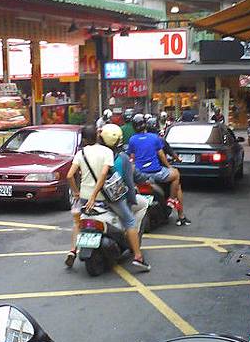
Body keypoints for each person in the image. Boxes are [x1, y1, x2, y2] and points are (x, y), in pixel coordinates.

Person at [66, 125, 150, 271]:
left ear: (84, 139)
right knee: (130, 220)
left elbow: (69, 176)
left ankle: (72, 250)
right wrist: (94, 195)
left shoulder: (81, 153)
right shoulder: (107, 152)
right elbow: (104, 175)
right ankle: (138, 257)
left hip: (85, 198)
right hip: (106, 197)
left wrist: (76, 192)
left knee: (78, 221)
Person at [128, 114, 191, 227]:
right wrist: (169, 166)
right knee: (176, 178)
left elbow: (132, 158)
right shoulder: (156, 139)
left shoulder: (132, 140)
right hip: (157, 173)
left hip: (140, 174)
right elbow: (163, 155)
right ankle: (177, 209)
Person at [100, 123, 148, 236]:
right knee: (135, 214)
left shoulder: (94, 154)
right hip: (114, 199)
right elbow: (130, 184)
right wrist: (131, 200)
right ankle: (135, 246)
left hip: (93, 199)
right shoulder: (122, 158)